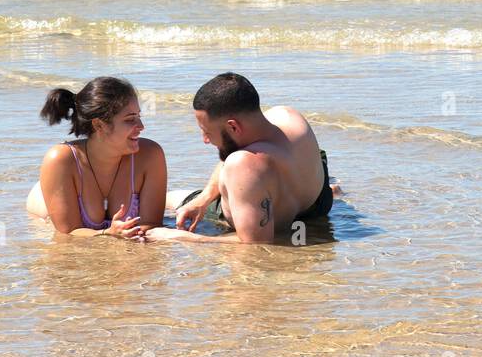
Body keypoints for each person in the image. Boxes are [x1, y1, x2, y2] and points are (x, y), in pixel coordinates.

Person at [154, 73, 335, 245]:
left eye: (207, 131)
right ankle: (334, 189)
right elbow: (237, 149)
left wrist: (180, 237)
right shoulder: (287, 115)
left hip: (268, 215)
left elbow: (255, 244)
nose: (205, 140)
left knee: (169, 199)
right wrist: (204, 198)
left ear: (233, 127)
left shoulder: (242, 165)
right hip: (317, 201)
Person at [26, 76, 166, 238]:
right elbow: (68, 232)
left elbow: (152, 224)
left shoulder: (150, 154)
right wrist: (108, 233)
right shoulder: (61, 159)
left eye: (139, 117)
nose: (141, 127)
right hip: (46, 199)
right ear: (99, 125)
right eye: (130, 119)